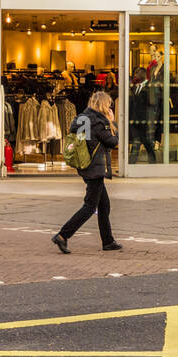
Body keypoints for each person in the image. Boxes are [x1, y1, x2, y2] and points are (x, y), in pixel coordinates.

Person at [52, 91, 122, 253]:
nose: (110, 107)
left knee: (104, 205)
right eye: (109, 104)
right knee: (90, 206)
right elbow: (112, 142)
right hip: (95, 168)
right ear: (104, 104)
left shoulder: (82, 118)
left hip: (85, 164)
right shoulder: (99, 121)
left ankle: (108, 241)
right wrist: (113, 123)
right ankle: (63, 235)